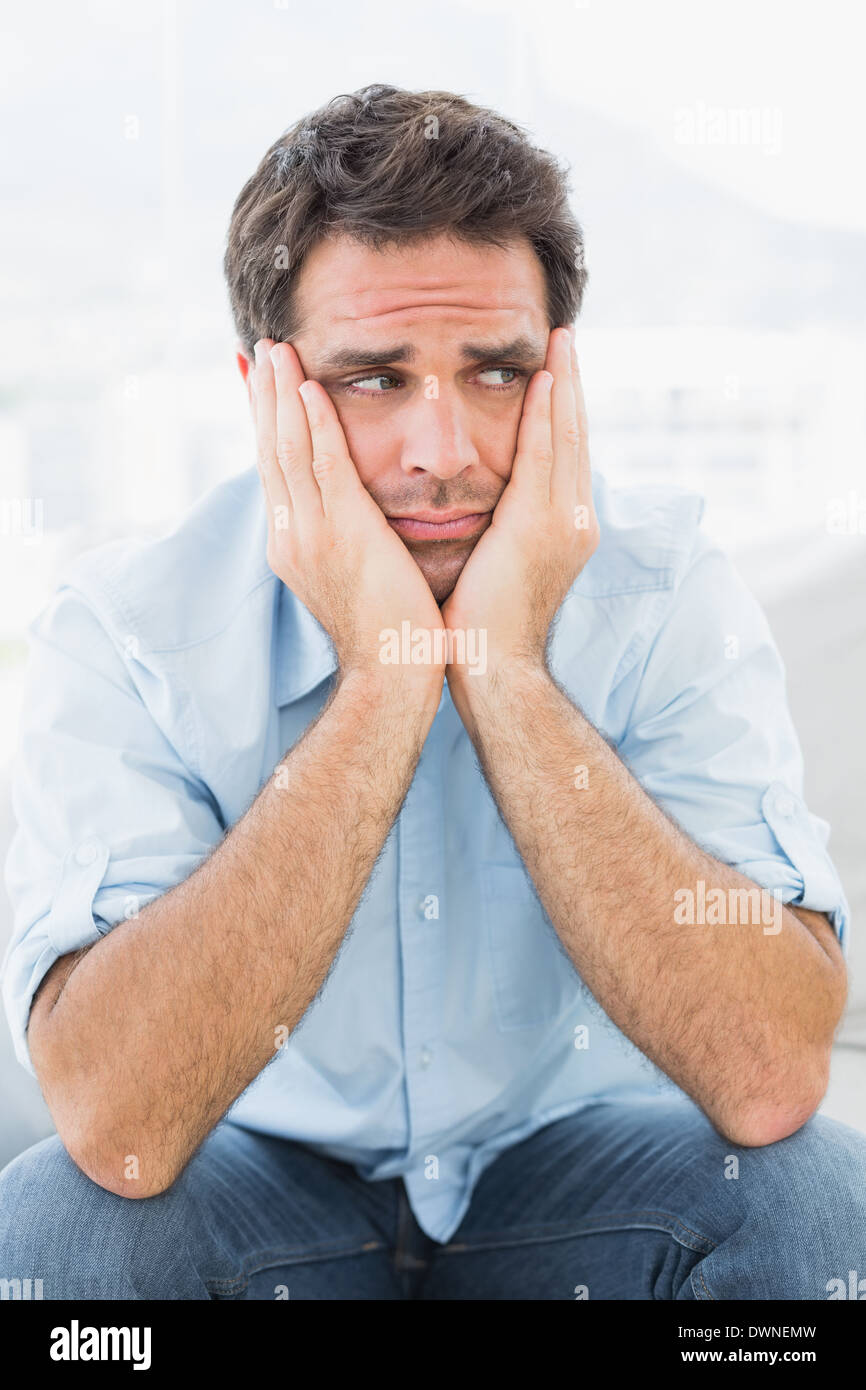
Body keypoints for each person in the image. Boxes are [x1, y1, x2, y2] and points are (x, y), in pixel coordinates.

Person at [1, 84, 863, 1301]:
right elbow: (114, 1123)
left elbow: (771, 1073)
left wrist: (505, 668)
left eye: (497, 372)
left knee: (810, 1203)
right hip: (264, 1191)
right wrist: (386, 676)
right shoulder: (128, 632)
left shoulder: (664, 593)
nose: (443, 452)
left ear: (557, 374)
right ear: (267, 391)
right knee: (64, 1228)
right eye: (372, 379)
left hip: (580, 1189)